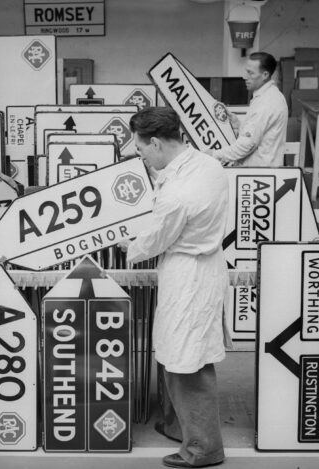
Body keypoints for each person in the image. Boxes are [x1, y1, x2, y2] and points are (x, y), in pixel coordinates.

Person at [119, 107, 229, 468]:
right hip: (207, 265)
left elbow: (155, 240)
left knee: (186, 365)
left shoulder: (178, 193)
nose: (140, 155)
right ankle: (181, 427)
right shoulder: (207, 165)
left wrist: (129, 247)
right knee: (186, 356)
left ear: (155, 143)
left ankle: (203, 450)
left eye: (141, 149)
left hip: (187, 276)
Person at [209, 52, 288, 167]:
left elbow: (246, 145)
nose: (244, 77)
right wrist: (239, 125)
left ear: (265, 75)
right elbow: (259, 134)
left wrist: (213, 154)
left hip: (259, 173)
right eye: (246, 71)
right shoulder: (268, 96)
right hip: (259, 171)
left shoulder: (267, 102)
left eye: (250, 73)